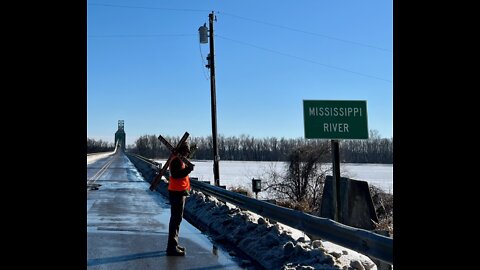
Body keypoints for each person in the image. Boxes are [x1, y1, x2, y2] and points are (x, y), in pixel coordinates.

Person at [166, 141, 194, 256]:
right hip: (177, 192)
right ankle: (172, 247)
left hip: (178, 191)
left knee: (176, 220)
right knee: (175, 220)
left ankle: (173, 245)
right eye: (186, 152)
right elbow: (176, 174)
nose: (187, 154)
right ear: (182, 151)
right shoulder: (177, 160)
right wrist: (188, 169)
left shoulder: (178, 159)